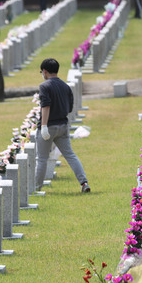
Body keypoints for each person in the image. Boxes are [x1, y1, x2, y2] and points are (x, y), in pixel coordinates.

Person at [35, 58, 90, 193]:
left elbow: (45, 106)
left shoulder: (44, 86)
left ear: (45, 71)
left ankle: (36, 188)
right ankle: (84, 182)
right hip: (63, 125)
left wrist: (44, 126)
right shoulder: (65, 86)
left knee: (42, 159)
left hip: (49, 126)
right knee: (70, 155)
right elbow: (70, 108)